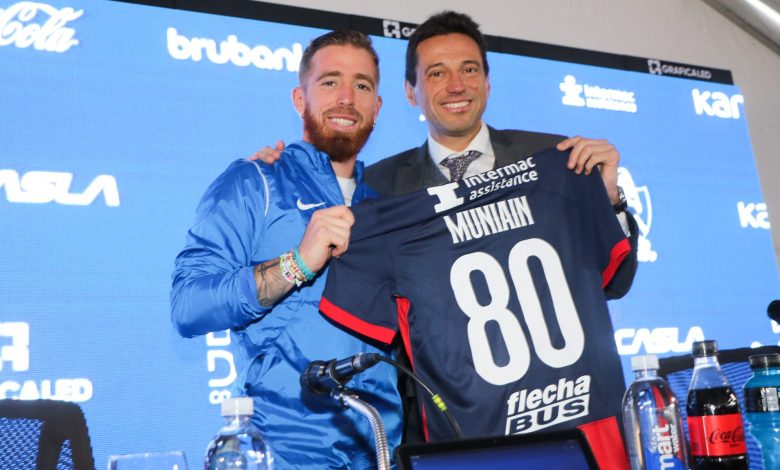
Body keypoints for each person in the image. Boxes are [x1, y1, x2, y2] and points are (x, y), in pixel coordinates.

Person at [170, 30, 401, 469]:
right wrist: (297, 263)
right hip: (285, 454)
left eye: (362, 85)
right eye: (330, 82)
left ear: (377, 106)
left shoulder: (383, 206)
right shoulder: (254, 180)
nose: (347, 98)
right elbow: (188, 305)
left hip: (381, 452)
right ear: (299, 98)